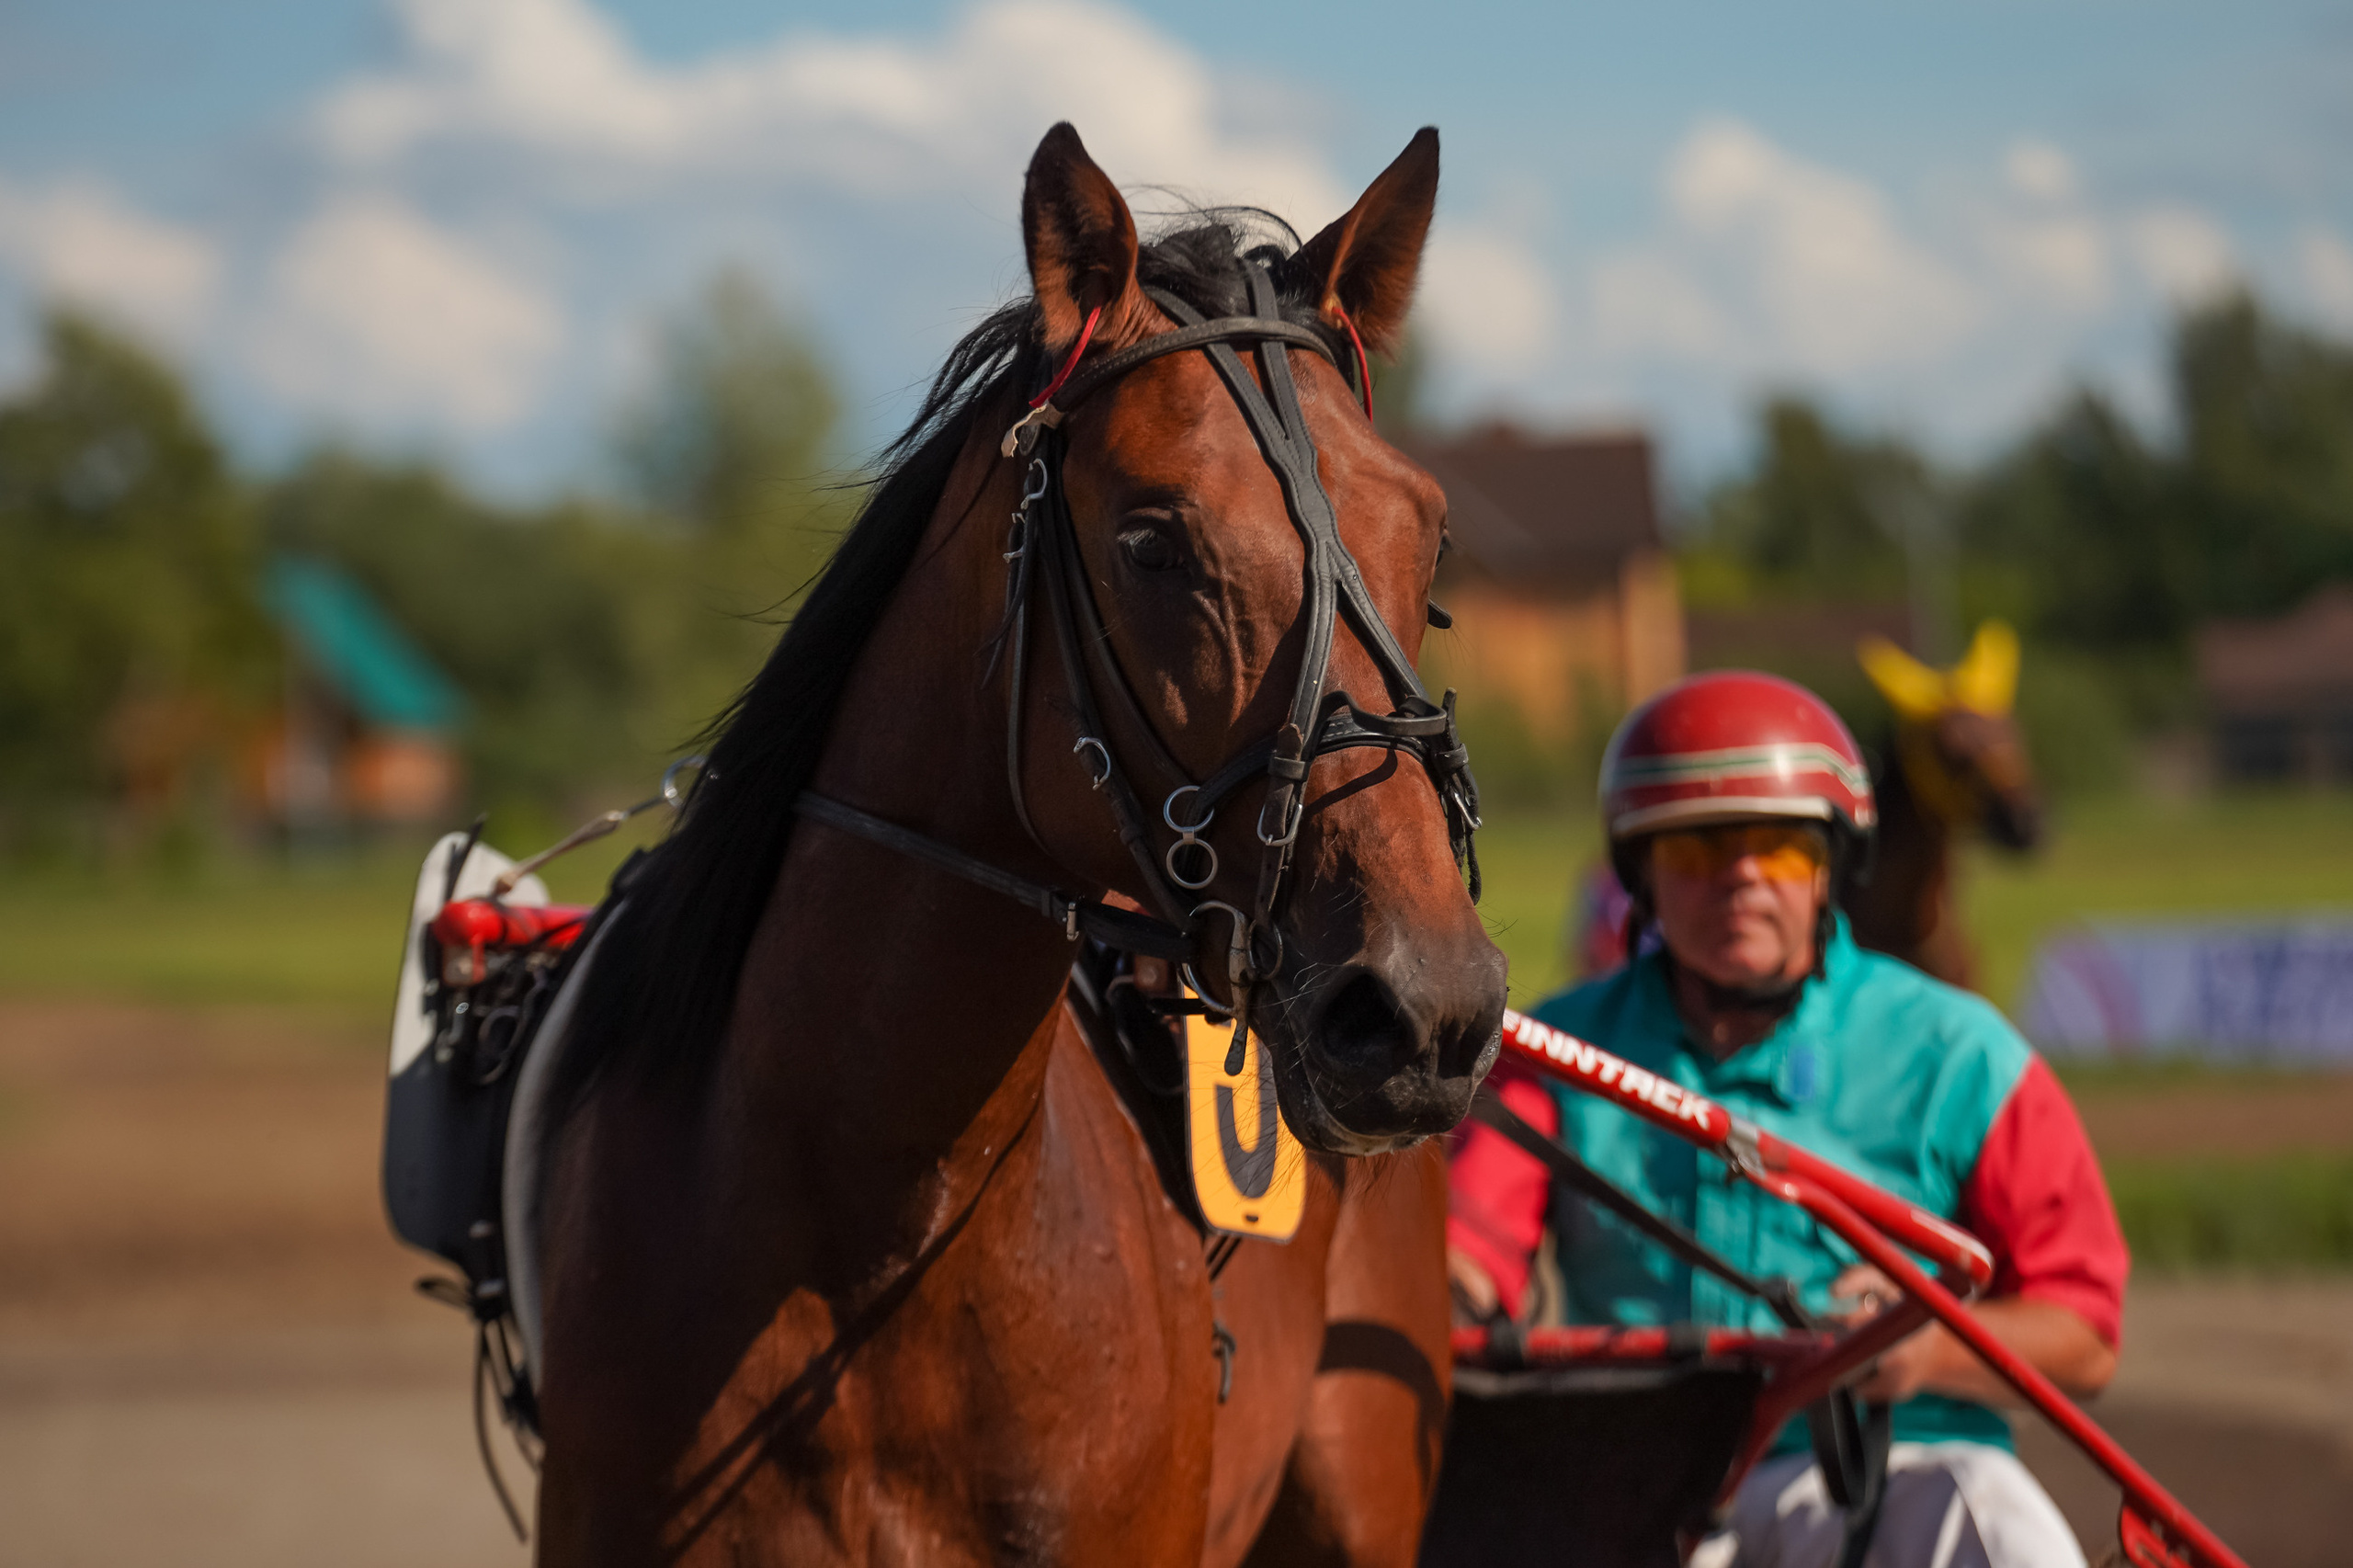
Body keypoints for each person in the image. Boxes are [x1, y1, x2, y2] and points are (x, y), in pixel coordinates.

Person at [1447, 670, 2127, 1568]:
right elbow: (1468, 1256)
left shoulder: (1962, 1054)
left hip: (1890, 1469)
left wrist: (1922, 1347)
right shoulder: (1553, 1054)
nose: (1739, 878)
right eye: (1695, 850)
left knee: (2001, 1524)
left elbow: (2083, 1334)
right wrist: (1443, 1285)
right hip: (1648, 1487)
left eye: (1775, 845)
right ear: (1640, 877)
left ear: (1831, 865)